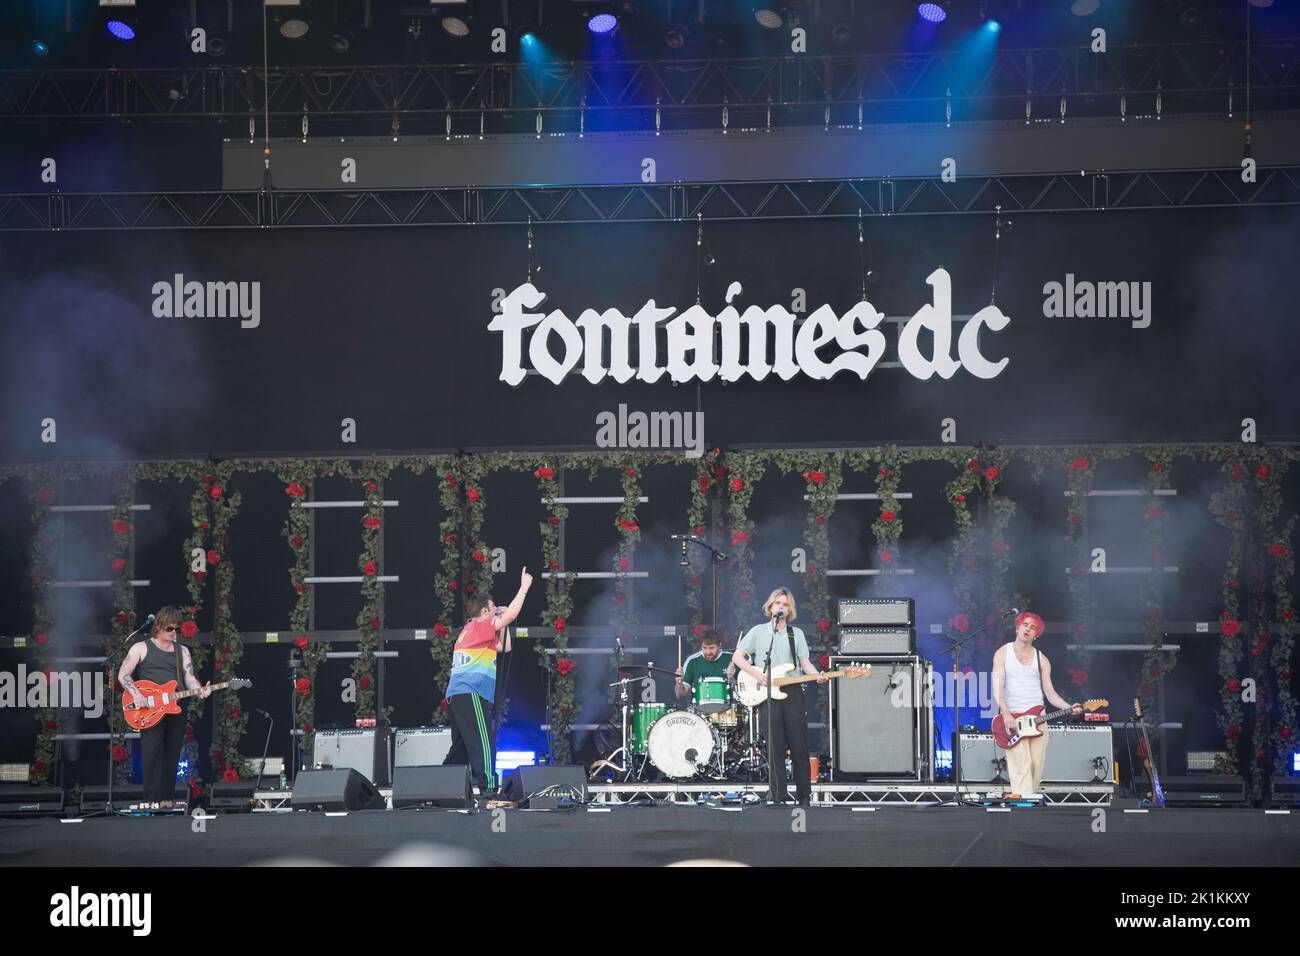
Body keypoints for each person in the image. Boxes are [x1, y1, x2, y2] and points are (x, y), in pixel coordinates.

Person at [733, 587, 826, 806]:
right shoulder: (758, 632)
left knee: (798, 744)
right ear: (770, 607)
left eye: (785, 604)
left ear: (790, 609)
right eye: (777, 604)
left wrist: (817, 676)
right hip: (766, 692)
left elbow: (805, 664)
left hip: (792, 691)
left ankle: (804, 795)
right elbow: (738, 657)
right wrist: (758, 675)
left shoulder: (797, 634)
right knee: (774, 745)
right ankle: (778, 794)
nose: (781, 607)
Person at [443, 566, 532, 796]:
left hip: (459, 694)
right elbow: (511, 615)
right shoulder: (479, 625)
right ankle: (489, 789)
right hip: (470, 692)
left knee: (462, 746)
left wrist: (502, 620)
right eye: (492, 608)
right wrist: (523, 589)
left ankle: (444, 786)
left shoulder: (471, 630)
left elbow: (506, 646)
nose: (495, 611)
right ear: (484, 611)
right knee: (484, 741)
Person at [117, 607, 211, 805]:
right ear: (158, 625)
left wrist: (200, 689)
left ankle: (167, 799)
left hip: (176, 705)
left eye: (176, 628)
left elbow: (189, 677)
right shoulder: (141, 648)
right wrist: (136, 693)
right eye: (169, 628)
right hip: (149, 707)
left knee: (172, 752)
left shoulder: (182, 651)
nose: (173, 632)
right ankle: (151, 800)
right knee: (151, 753)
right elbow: (123, 674)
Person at [991, 611, 1083, 799]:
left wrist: (1068, 706)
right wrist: (1006, 714)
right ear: (1017, 627)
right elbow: (997, 689)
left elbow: (1050, 693)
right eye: (1025, 624)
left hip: (1038, 717)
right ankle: (1024, 805)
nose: (1028, 629)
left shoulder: (1042, 659)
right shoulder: (1002, 653)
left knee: (1036, 765)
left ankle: (1026, 801)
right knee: (1020, 764)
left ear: (1037, 635)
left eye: (1033, 627)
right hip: (1014, 719)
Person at [675, 631, 735, 701]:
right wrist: (679, 684)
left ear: (719, 645)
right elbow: (680, 695)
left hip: (728, 709)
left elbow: (744, 690)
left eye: (712, 648)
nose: (708, 652)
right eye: (704, 648)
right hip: (699, 709)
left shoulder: (732, 659)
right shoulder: (692, 661)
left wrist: (732, 679)